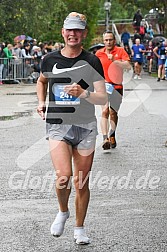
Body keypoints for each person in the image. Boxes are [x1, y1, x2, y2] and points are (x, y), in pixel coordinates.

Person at [36, 12, 107, 245]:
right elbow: (42, 81)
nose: (73, 34)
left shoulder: (92, 61)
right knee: (63, 177)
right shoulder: (49, 59)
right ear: (63, 32)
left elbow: (103, 98)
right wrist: (41, 102)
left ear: (84, 33)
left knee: (81, 181)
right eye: (69, 30)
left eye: (78, 30)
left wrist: (84, 93)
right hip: (58, 124)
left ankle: (79, 228)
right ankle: (63, 211)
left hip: (85, 126)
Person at [95, 31, 131, 150]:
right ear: (103, 41)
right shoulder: (99, 54)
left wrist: (115, 61)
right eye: (106, 40)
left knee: (113, 112)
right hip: (103, 86)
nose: (108, 42)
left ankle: (112, 134)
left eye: (110, 40)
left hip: (117, 87)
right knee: (104, 111)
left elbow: (127, 65)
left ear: (114, 41)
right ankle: (105, 138)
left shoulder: (120, 51)